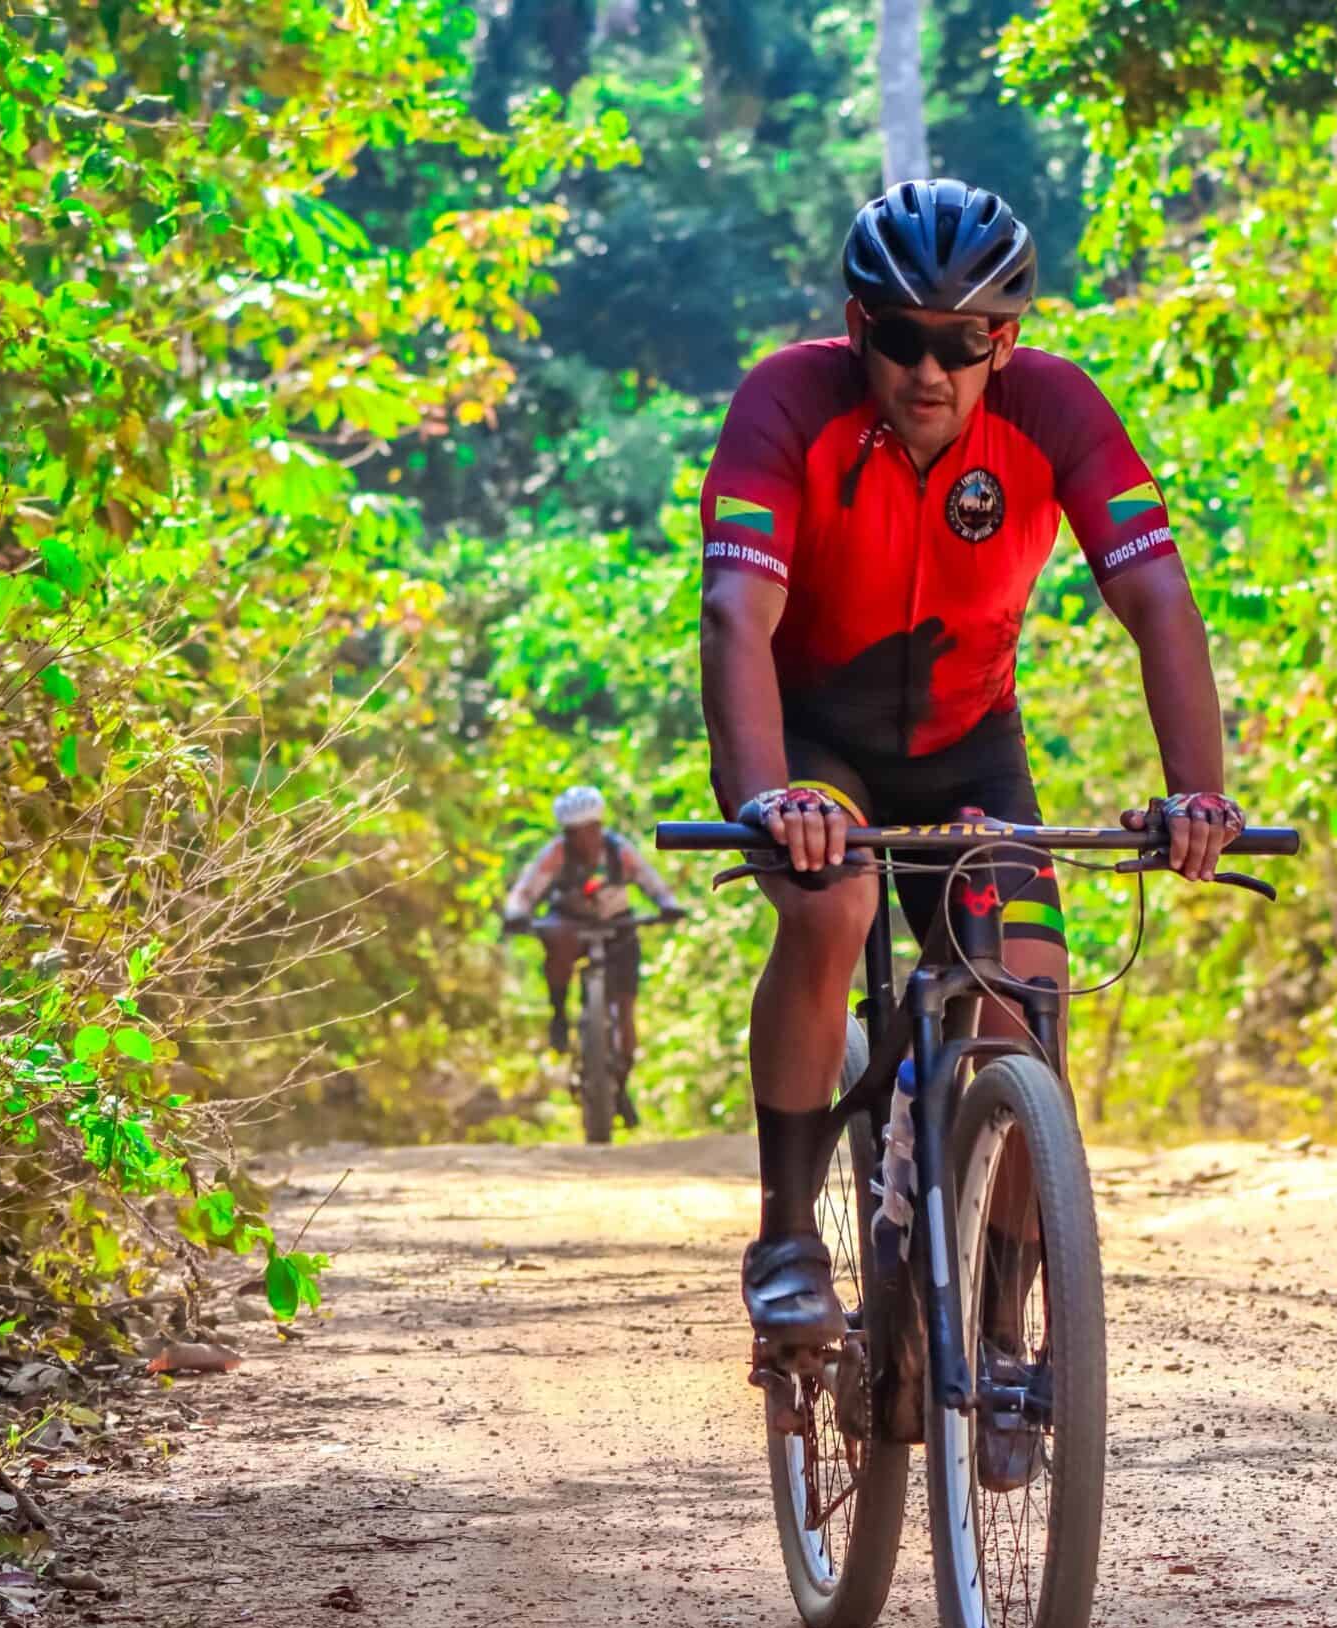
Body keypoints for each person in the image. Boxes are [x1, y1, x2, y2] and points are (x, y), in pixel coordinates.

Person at [695, 178, 1246, 1370]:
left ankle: (1000, 1335)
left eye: (967, 342)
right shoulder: (786, 402)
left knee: (1025, 999)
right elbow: (737, 611)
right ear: (858, 326)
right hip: (816, 749)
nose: (931, 371)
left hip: (967, 752)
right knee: (831, 903)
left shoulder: (1054, 408)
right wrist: (765, 797)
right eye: (902, 338)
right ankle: (786, 1239)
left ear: (1009, 339)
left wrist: (1197, 791)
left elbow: (1157, 596)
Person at [501, 786, 685, 1126]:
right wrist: (516, 913)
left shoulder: (619, 852)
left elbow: (651, 881)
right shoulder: (556, 854)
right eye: (574, 832)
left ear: (600, 827)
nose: (583, 839)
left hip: (617, 926)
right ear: (565, 833)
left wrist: (667, 904)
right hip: (571, 923)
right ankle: (559, 1012)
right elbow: (526, 891)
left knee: (625, 1012)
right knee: (556, 941)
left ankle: (621, 1086)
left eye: (590, 830)